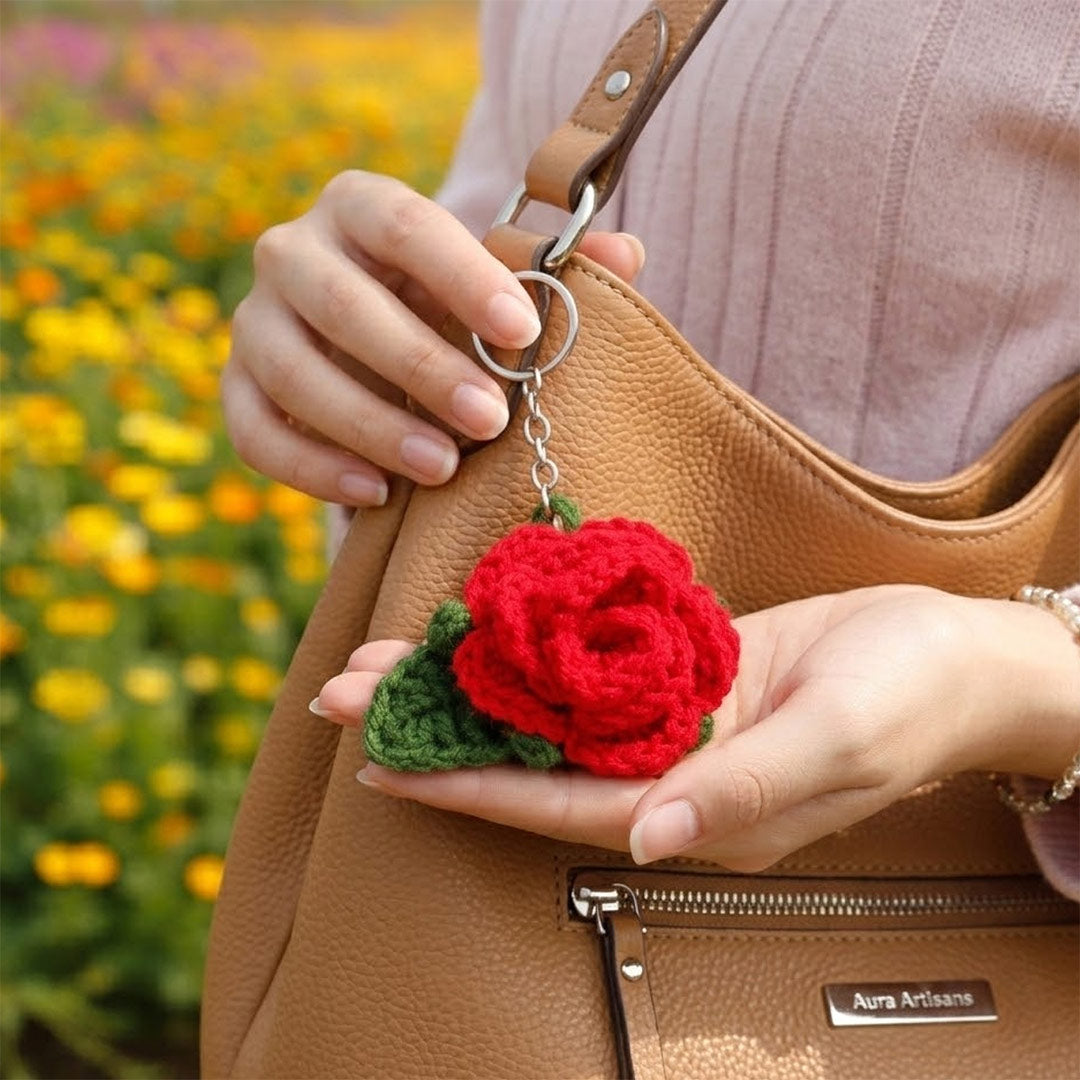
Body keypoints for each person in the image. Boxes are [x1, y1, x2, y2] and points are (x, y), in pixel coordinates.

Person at [222, 0, 1079, 896]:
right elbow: (491, 248)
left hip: (958, 898)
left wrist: (1017, 681)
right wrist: (358, 350)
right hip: (460, 885)